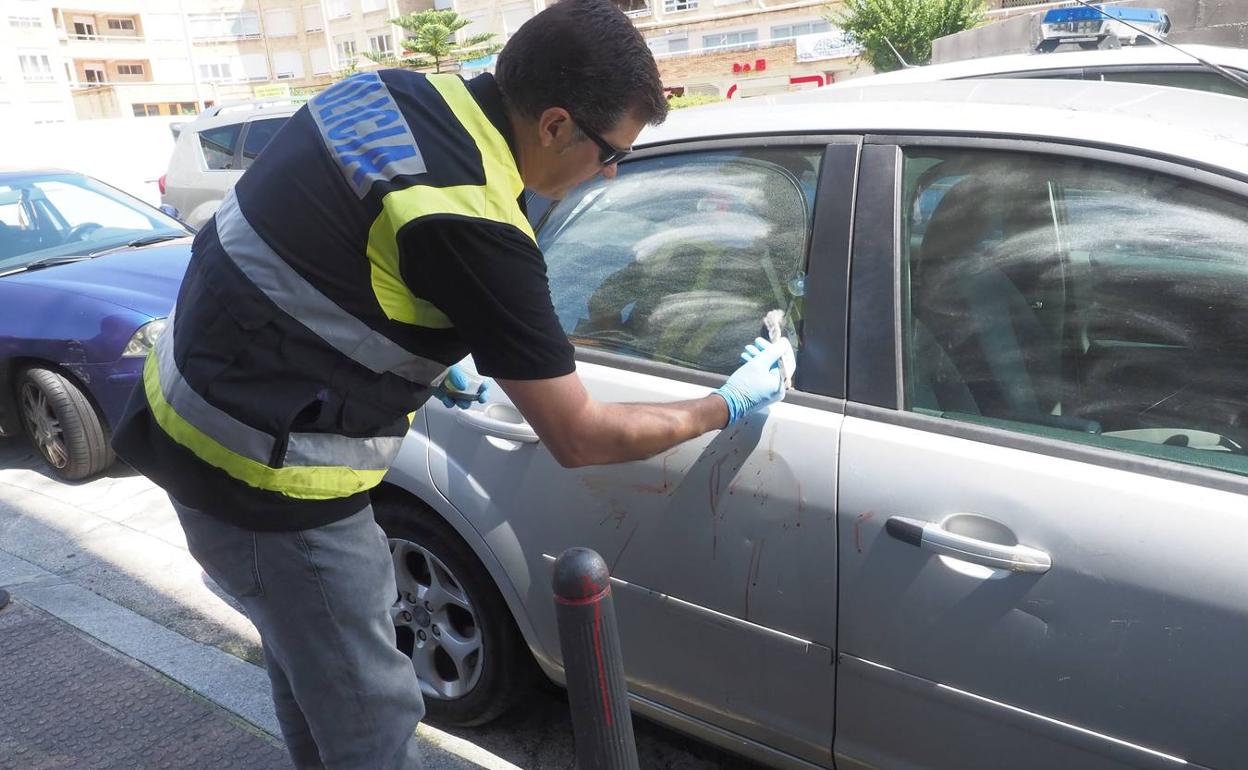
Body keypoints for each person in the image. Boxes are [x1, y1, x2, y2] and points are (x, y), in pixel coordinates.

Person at [111, 0, 792, 767]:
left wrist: (420, 351)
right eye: (613, 152)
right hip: (266, 479)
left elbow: (326, 240)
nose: (609, 172)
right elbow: (579, 434)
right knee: (369, 712)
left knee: (310, 675)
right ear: (556, 124)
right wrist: (722, 404)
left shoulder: (391, 91)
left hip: (189, 407)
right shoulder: (476, 224)